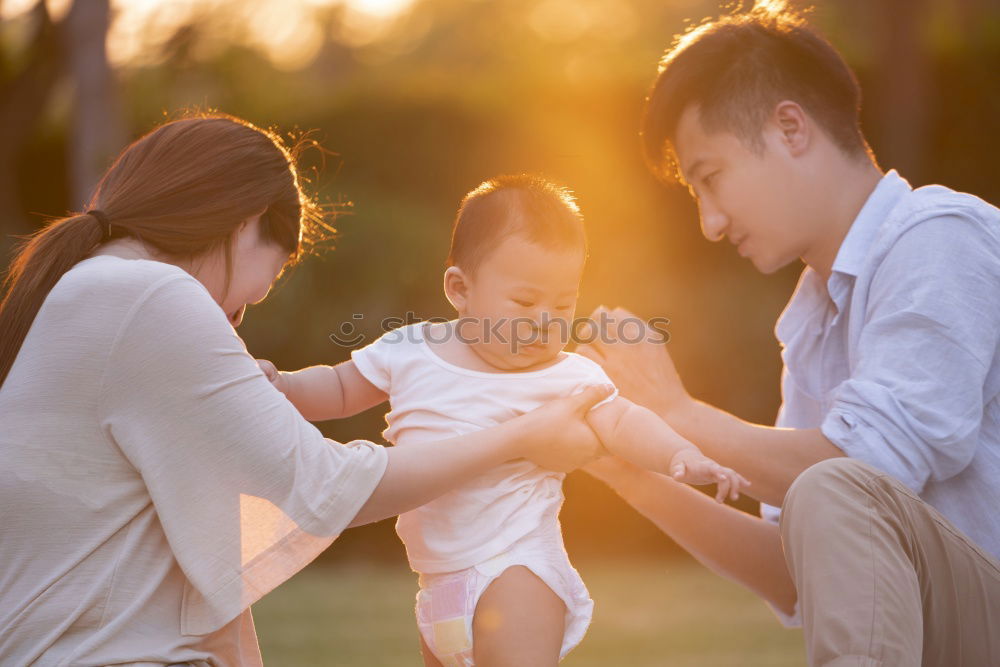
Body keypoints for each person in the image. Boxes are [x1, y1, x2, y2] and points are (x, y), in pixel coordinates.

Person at [0, 114, 615, 666]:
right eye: (273, 274)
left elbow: (221, 527)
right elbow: (323, 487)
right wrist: (525, 434)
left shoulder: (93, 293)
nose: (244, 313)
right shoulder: (149, 296)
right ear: (246, 225)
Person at [578, 2, 1000, 665]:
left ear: (790, 127)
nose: (710, 223)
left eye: (709, 178)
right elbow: (794, 568)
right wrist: (630, 472)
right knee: (826, 495)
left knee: (833, 485)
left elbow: (860, 472)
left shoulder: (938, 236)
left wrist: (677, 411)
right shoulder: (811, 325)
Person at [258, 174, 749, 666]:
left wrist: (680, 454)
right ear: (459, 288)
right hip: (437, 584)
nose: (546, 320)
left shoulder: (567, 375)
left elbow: (623, 421)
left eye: (563, 304)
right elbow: (341, 388)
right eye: (525, 302)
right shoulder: (410, 350)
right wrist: (282, 387)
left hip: (517, 570)